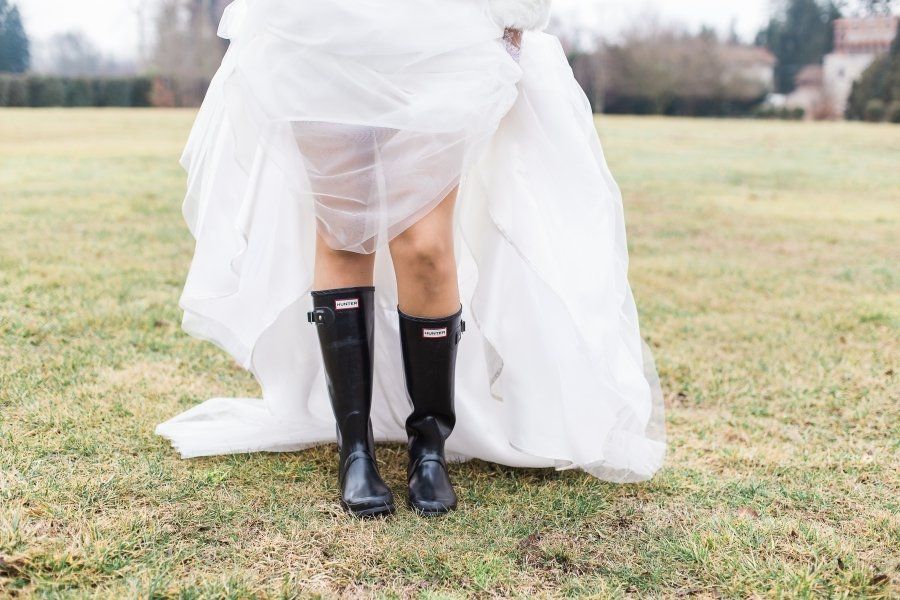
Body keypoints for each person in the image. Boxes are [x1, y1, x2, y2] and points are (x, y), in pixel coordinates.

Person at [156, 0, 667, 518]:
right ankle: (355, 448)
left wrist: (516, 16)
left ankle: (429, 445)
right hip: (319, 27)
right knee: (343, 232)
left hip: (443, 32)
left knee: (423, 245)